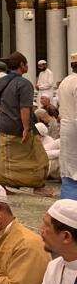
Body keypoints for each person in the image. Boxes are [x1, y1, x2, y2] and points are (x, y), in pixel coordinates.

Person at [0, 52, 53, 196]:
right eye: (26, 64)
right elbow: (25, 108)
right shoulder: (24, 83)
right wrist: (26, 127)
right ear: (21, 65)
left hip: (4, 125)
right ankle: (38, 186)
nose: (28, 66)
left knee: (6, 158)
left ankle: (3, 185)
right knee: (38, 157)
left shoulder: (1, 81)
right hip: (19, 126)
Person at [60, 53, 77, 200]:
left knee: (68, 166)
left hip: (66, 125)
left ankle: (66, 203)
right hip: (75, 126)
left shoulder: (66, 80)